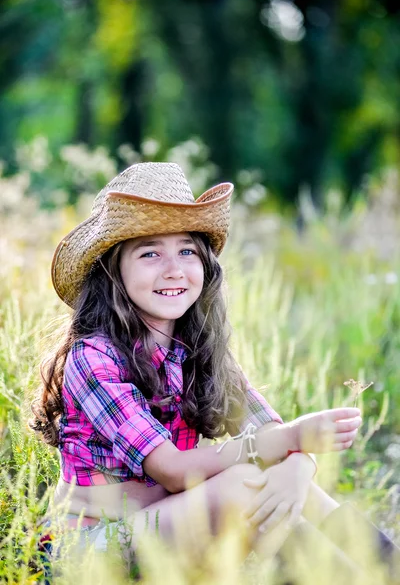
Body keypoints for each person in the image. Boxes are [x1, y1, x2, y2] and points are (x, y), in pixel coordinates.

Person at [30, 162, 399, 581]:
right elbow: (171, 468)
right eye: (150, 252)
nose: (173, 269)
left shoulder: (197, 351)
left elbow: (273, 431)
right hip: (89, 550)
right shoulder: (94, 359)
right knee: (244, 483)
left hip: (168, 524)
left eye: (187, 250)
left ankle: (387, 571)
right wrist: (288, 444)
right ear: (112, 272)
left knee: (281, 480)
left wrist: (298, 467)